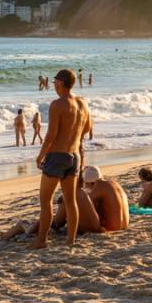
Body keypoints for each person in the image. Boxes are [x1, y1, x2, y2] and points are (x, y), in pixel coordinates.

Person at [31, 69, 87, 248]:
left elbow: (51, 135)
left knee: (45, 201)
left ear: (61, 83)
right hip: (74, 155)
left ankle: (41, 241)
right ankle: (70, 240)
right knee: (70, 201)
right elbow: (87, 128)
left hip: (57, 156)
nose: (53, 84)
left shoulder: (58, 104)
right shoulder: (82, 103)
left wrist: (40, 156)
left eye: (54, 81)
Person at [82, 166, 130, 232]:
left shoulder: (98, 186)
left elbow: (84, 206)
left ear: (88, 182)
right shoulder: (114, 183)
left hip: (112, 229)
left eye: (85, 184)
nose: (86, 187)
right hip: (125, 225)